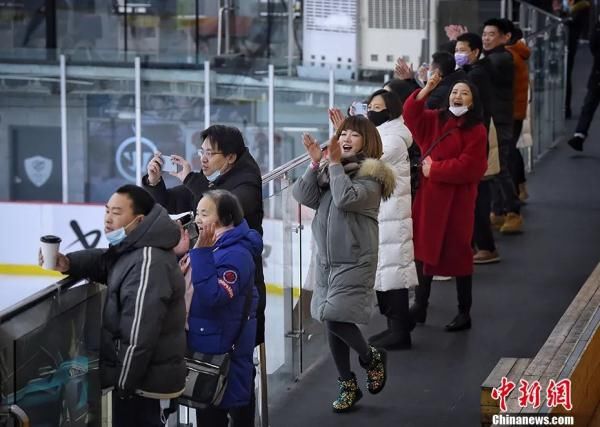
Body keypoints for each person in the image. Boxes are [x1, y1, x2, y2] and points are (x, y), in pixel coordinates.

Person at [39, 185, 187, 427]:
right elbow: (107, 263)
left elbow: (139, 335)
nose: (108, 218)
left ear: (138, 220)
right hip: (139, 381)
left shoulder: (148, 262)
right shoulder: (134, 249)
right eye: (107, 210)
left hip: (142, 386)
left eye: (117, 212)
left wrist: (122, 385)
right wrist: (68, 263)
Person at [292, 116, 395, 412]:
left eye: (354, 135)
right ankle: (347, 382)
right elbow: (303, 196)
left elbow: (345, 199)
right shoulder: (332, 170)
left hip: (355, 259)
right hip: (327, 259)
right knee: (329, 317)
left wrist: (334, 164)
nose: (346, 139)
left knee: (336, 316)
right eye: (343, 134)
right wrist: (315, 164)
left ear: (368, 142)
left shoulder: (373, 176)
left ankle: (370, 357)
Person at [403, 73, 488, 332]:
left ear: (472, 101)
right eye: (454, 92)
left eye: (464, 93)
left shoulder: (477, 129)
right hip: (430, 199)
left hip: (457, 201)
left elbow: (473, 166)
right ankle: (420, 305)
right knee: (422, 252)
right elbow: (410, 114)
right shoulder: (435, 119)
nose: (457, 96)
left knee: (459, 254)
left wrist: (435, 170)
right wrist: (427, 88)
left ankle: (464, 312)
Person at [187, 189, 262, 427]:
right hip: (210, 346)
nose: (198, 219)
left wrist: (200, 252)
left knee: (216, 414)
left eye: (205, 213)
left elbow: (214, 296)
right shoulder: (215, 244)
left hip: (219, 354)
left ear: (226, 218)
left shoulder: (237, 254)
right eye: (197, 212)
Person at [364, 89, 418, 350]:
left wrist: (344, 132)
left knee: (394, 274)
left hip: (392, 216)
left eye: (376, 107)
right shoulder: (384, 134)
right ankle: (396, 327)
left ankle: (400, 331)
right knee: (386, 272)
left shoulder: (394, 139)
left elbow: (367, 162)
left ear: (391, 110)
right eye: (369, 106)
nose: (371, 111)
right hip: (385, 215)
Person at [455, 32, 500, 264]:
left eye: (463, 50)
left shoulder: (478, 74)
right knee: (475, 198)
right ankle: (477, 244)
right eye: (456, 50)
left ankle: (486, 246)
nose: (458, 54)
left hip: (479, 143)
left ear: (475, 52)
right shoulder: (477, 70)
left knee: (478, 198)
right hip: (481, 140)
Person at [482, 18, 523, 234]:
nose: (486, 38)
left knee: (501, 168)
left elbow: (482, 70)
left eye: (491, 34)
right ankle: (497, 212)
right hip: (495, 121)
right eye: (484, 34)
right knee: (495, 167)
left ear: (504, 37)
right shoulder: (492, 58)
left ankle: (513, 212)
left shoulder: (501, 59)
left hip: (500, 122)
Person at [504, 25, 531, 202]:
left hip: (508, 112)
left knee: (508, 152)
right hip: (516, 111)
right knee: (512, 150)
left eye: (492, 34)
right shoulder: (518, 53)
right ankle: (520, 189)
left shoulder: (509, 57)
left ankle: (513, 195)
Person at [567, 14, 600, 152]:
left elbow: (593, 44)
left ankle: (579, 134)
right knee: (589, 103)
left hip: (598, 71)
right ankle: (579, 135)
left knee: (589, 104)